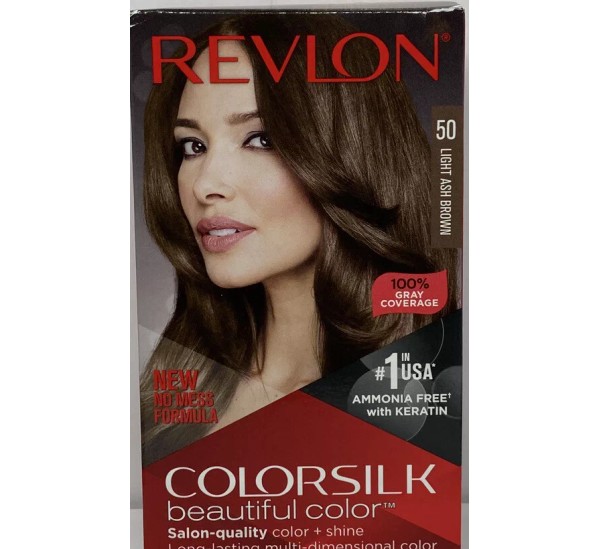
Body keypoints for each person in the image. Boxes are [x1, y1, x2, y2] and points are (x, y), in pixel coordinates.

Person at [140, 13, 459, 463]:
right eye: (193, 146)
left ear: (352, 154)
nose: (205, 184)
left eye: (259, 139)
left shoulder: (432, 397)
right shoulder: (172, 399)